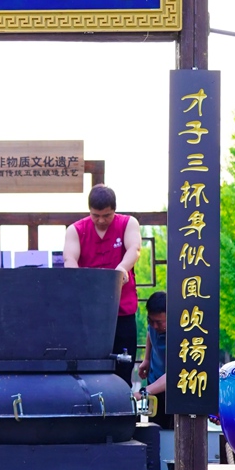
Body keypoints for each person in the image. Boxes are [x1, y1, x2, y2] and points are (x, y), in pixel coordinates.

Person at [63, 184, 141, 385]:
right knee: (89, 367)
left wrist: (122, 268)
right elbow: (69, 259)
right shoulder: (76, 230)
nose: (101, 220)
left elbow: (134, 248)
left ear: (114, 210)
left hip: (122, 310)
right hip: (89, 313)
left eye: (106, 215)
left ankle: (123, 397)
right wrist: (77, 280)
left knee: (124, 365)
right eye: (95, 215)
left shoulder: (128, 223)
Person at [137, 290, 171, 430]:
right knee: (155, 428)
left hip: (170, 388)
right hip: (154, 382)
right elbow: (149, 333)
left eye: (159, 322)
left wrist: (143, 392)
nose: (155, 326)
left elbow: (174, 375)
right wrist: (146, 359)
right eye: (151, 321)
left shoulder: (181, 334)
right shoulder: (153, 326)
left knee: (169, 430)